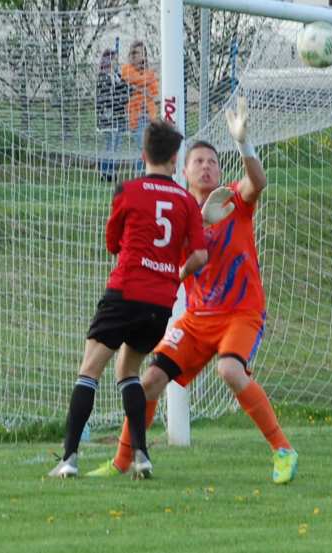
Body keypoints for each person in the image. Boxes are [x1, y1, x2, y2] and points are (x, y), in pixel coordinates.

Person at [87, 97, 299, 485]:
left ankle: (283, 449)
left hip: (241, 312)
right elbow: (170, 268)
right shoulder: (179, 211)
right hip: (198, 319)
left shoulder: (233, 199)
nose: (206, 166)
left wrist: (243, 144)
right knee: (149, 381)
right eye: (197, 161)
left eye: (212, 162)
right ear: (182, 170)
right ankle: (121, 460)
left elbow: (259, 182)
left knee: (230, 369)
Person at [48, 119, 208, 479]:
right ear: (174, 159)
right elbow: (199, 256)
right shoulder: (185, 200)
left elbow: (112, 244)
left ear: (143, 154)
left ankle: (69, 459)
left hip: (125, 291)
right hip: (159, 303)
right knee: (129, 371)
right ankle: (141, 456)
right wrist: (173, 273)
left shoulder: (128, 190)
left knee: (90, 370)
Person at [121, 41, 159, 173]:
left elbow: (154, 92)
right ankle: (141, 175)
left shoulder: (149, 73)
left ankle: (144, 174)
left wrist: (141, 88)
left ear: (144, 56)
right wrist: (144, 88)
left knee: (148, 147)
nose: (134, 56)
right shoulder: (126, 69)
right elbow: (133, 80)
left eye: (137, 53)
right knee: (142, 147)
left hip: (148, 116)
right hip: (135, 116)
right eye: (132, 53)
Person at [96, 48, 130, 182]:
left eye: (117, 60)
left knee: (116, 146)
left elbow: (125, 93)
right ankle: (105, 172)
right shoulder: (103, 77)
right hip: (109, 118)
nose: (116, 62)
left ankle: (112, 170)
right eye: (114, 59)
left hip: (120, 117)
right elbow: (105, 98)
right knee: (110, 145)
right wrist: (117, 94)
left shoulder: (118, 76)